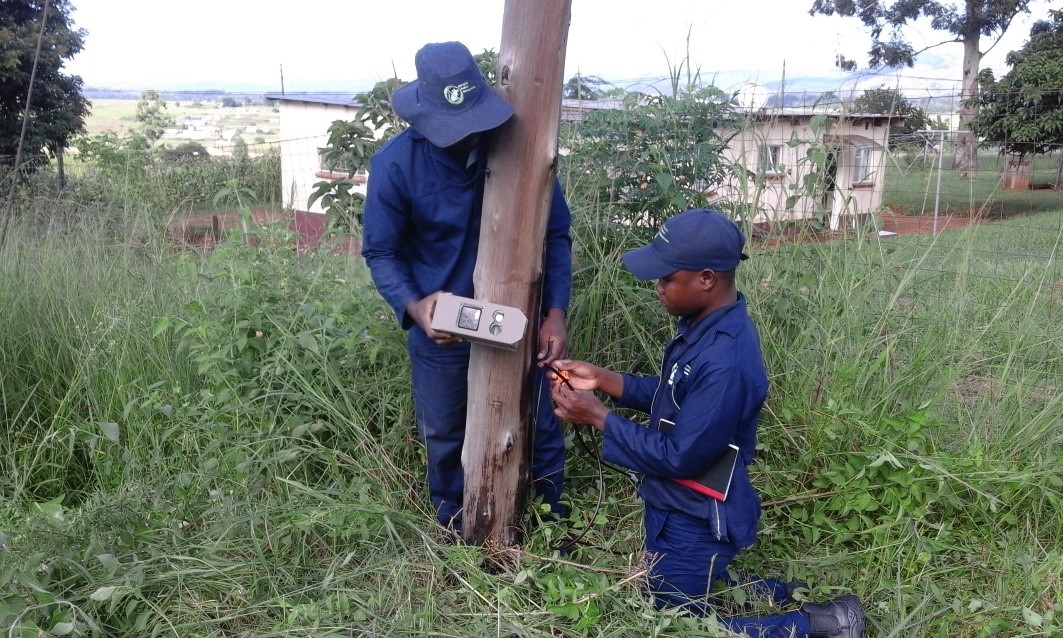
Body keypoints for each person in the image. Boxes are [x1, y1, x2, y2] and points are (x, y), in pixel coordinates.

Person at [547, 209, 865, 638]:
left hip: (696, 515)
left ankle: (822, 623)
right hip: (678, 506)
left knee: (679, 627)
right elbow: (676, 397)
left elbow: (679, 456)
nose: (657, 288)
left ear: (706, 278)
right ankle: (780, 592)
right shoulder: (704, 327)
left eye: (666, 278)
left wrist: (598, 417)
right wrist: (606, 381)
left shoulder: (726, 359)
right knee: (671, 594)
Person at [361, 41, 571, 533]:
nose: (466, 137)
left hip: (523, 319)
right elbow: (382, 253)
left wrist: (555, 312)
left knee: (540, 425)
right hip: (443, 333)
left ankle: (553, 525)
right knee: (445, 435)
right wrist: (416, 308)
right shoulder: (395, 165)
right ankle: (457, 530)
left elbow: (555, 233)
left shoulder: (520, 149)